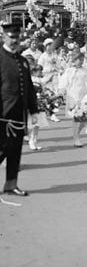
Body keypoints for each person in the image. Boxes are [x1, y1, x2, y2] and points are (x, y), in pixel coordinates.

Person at [0, 23, 39, 196]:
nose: (15, 40)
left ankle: (11, 185)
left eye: (17, 37)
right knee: (2, 149)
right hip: (3, 114)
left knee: (15, 151)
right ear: (4, 37)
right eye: (11, 37)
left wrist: (34, 110)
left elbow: (28, 88)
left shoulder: (22, 61)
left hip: (18, 114)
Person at [58, 49, 87, 147]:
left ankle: (77, 134)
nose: (81, 61)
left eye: (82, 59)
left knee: (84, 119)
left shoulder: (85, 71)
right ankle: (76, 138)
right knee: (76, 118)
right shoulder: (69, 70)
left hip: (83, 95)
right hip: (73, 96)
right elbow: (64, 81)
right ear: (74, 60)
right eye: (79, 59)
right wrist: (62, 90)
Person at [27, 64, 50, 151]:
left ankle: (34, 141)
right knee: (33, 123)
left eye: (41, 71)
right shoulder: (30, 79)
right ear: (34, 72)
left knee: (37, 125)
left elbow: (43, 88)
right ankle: (31, 141)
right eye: (39, 71)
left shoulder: (40, 80)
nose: (41, 73)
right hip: (32, 103)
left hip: (39, 102)